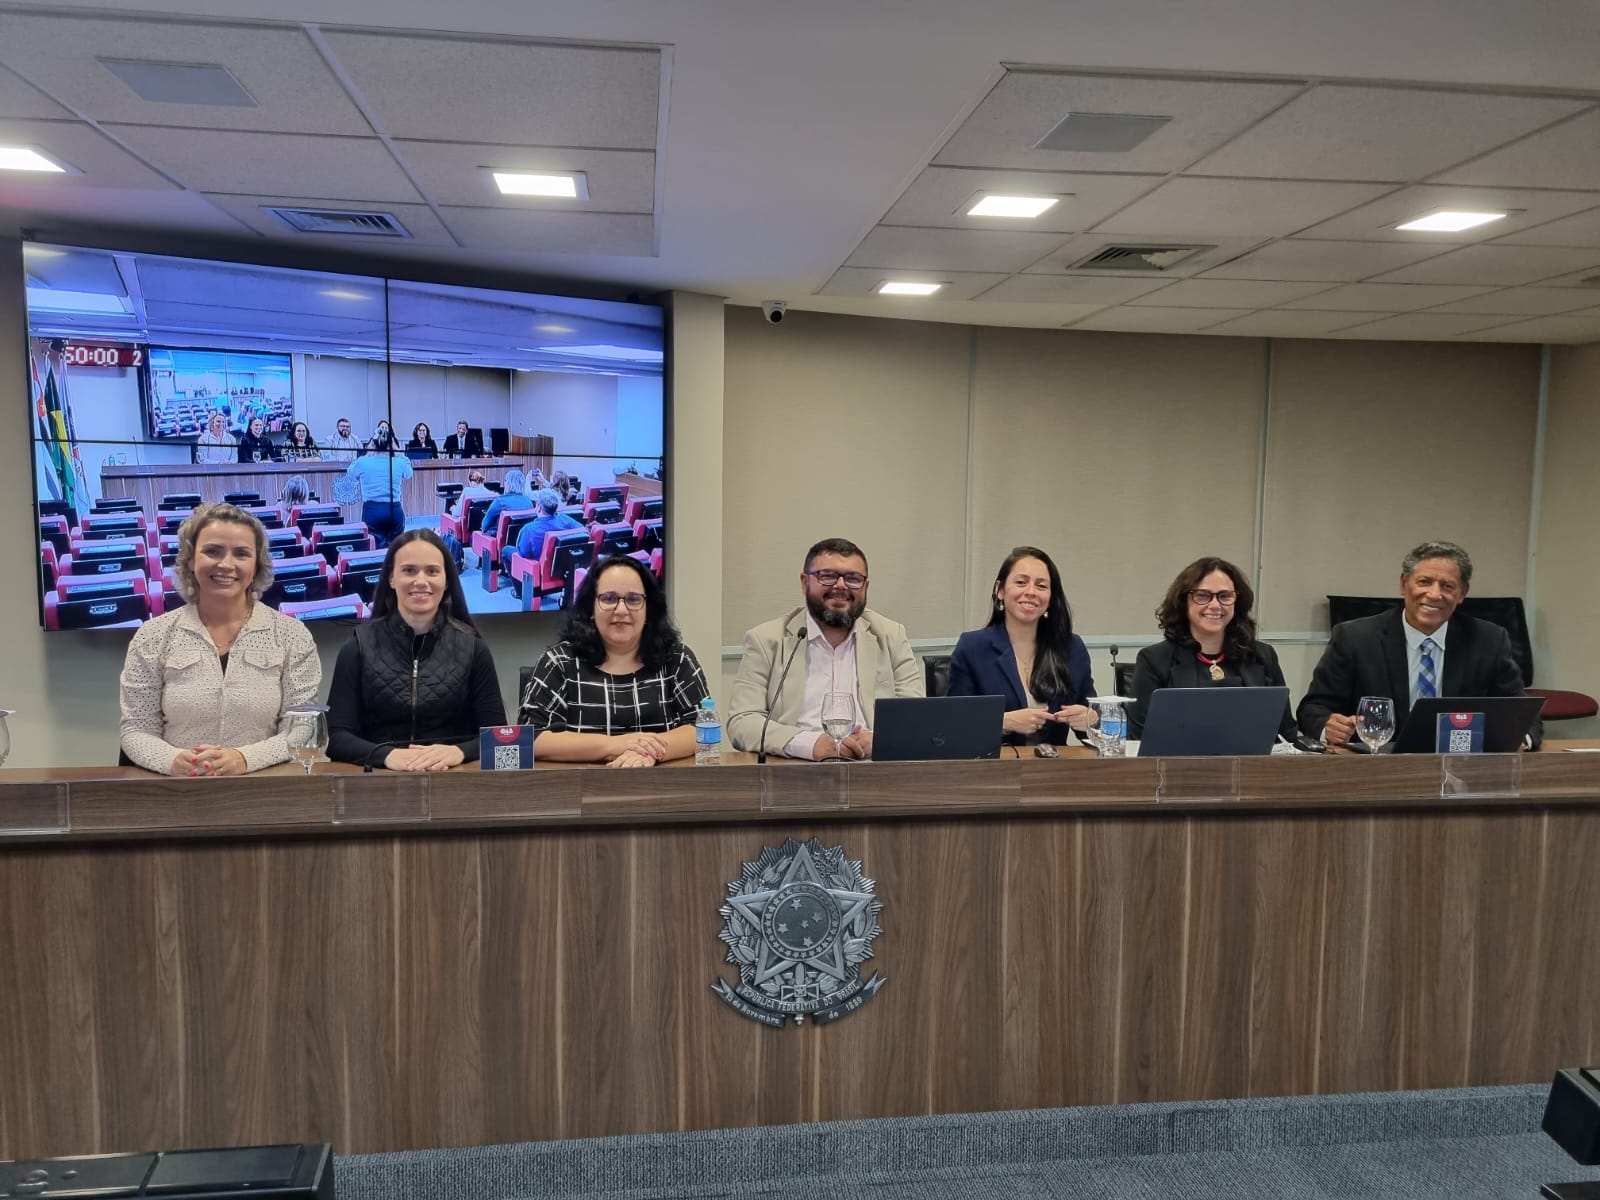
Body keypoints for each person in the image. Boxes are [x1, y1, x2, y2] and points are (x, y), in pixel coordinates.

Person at [119, 504, 321, 776]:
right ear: (190, 559)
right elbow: (136, 729)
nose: (226, 564)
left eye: (241, 554)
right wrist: (174, 760)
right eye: (212, 551)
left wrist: (244, 759)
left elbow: (302, 729)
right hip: (177, 791)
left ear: (256, 564)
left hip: (265, 792)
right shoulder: (152, 636)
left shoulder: (292, 636)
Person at [1297, 540, 1541, 749]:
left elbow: (1522, 712)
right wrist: (1327, 726)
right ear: (1404, 584)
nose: (1434, 595)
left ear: (1462, 593)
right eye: (1424, 582)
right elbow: (1313, 708)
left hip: (1461, 766)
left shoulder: (1489, 640)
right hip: (1376, 768)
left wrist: (1523, 738)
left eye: (1447, 586)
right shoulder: (1355, 637)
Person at [728, 537, 922, 759]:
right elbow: (741, 722)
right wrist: (810, 744)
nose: (840, 586)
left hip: (872, 771)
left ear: (866, 586)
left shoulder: (891, 636)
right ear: (804, 582)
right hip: (795, 771)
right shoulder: (767, 639)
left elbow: (915, 719)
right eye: (827, 576)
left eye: (853, 578)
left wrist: (881, 739)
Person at [326, 528, 505, 770]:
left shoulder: (474, 649)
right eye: (409, 570)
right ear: (391, 578)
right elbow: (336, 738)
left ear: (446, 580)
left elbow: (499, 737)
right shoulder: (357, 647)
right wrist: (387, 756)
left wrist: (459, 751)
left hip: (452, 783)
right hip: (376, 785)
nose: (421, 581)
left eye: (432, 571)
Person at [519, 554, 708, 767]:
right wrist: (615, 745)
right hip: (575, 792)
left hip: (662, 791)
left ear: (648, 609)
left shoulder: (676, 659)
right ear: (591, 608)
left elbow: (702, 726)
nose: (621, 610)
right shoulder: (559, 662)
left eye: (633, 599)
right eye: (608, 598)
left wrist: (650, 752)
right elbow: (530, 738)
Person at [1128, 556, 1297, 742]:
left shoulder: (1263, 656)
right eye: (1202, 595)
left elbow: (1285, 732)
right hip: (1181, 768)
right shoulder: (1154, 659)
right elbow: (1140, 738)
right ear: (1184, 601)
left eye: (1225, 596)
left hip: (1252, 767)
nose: (1215, 605)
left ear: (1237, 602)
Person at [948, 546, 1097, 746]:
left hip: (1056, 769)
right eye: (1021, 582)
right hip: (993, 768)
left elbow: (1099, 728)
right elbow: (954, 725)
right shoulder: (973, 647)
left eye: (1041, 586)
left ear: (1051, 598)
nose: (1031, 592)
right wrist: (1003, 722)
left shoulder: (1071, 647)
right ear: (999, 590)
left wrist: (1091, 720)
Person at [344, 443, 413, 547]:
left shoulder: (363, 461)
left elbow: (351, 474)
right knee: (396, 551)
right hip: (394, 510)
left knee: (374, 551)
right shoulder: (399, 462)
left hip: (372, 511)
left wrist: (367, 454)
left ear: (372, 445)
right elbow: (409, 473)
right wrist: (397, 453)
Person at [510, 487, 582, 571]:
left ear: (539, 508)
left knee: (507, 550)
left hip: (537, 568)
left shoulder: (528, 529)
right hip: (562, 565)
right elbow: (582, 530)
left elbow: (524, 554)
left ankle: (519, 584)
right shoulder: (563, 518)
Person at [480, 468, 535, 552]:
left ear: (508, 484)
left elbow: (484, 525)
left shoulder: (500, 501)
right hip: (521, 542)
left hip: (501, 542)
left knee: (474, 537)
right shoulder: (528, 501)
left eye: (505, 481)